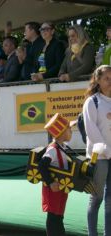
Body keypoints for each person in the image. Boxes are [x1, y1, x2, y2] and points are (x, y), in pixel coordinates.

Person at [83, 65, 111, 236]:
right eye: (106, 78)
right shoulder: (92, 102)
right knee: (96, 199)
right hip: (99, 158)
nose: (110, 81)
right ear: (98, 80)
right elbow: (91, 130)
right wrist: (106, 151)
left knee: (110, 202)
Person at [38, 113, 76, 236]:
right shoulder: (53, 149)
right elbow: (42, 165)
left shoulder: (63, 147)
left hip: (60, 188)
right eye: (69, 129)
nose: (72, 131)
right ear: (62, 133)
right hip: (54, 188)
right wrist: (50, 182)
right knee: (53, 216)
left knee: (59, 216)